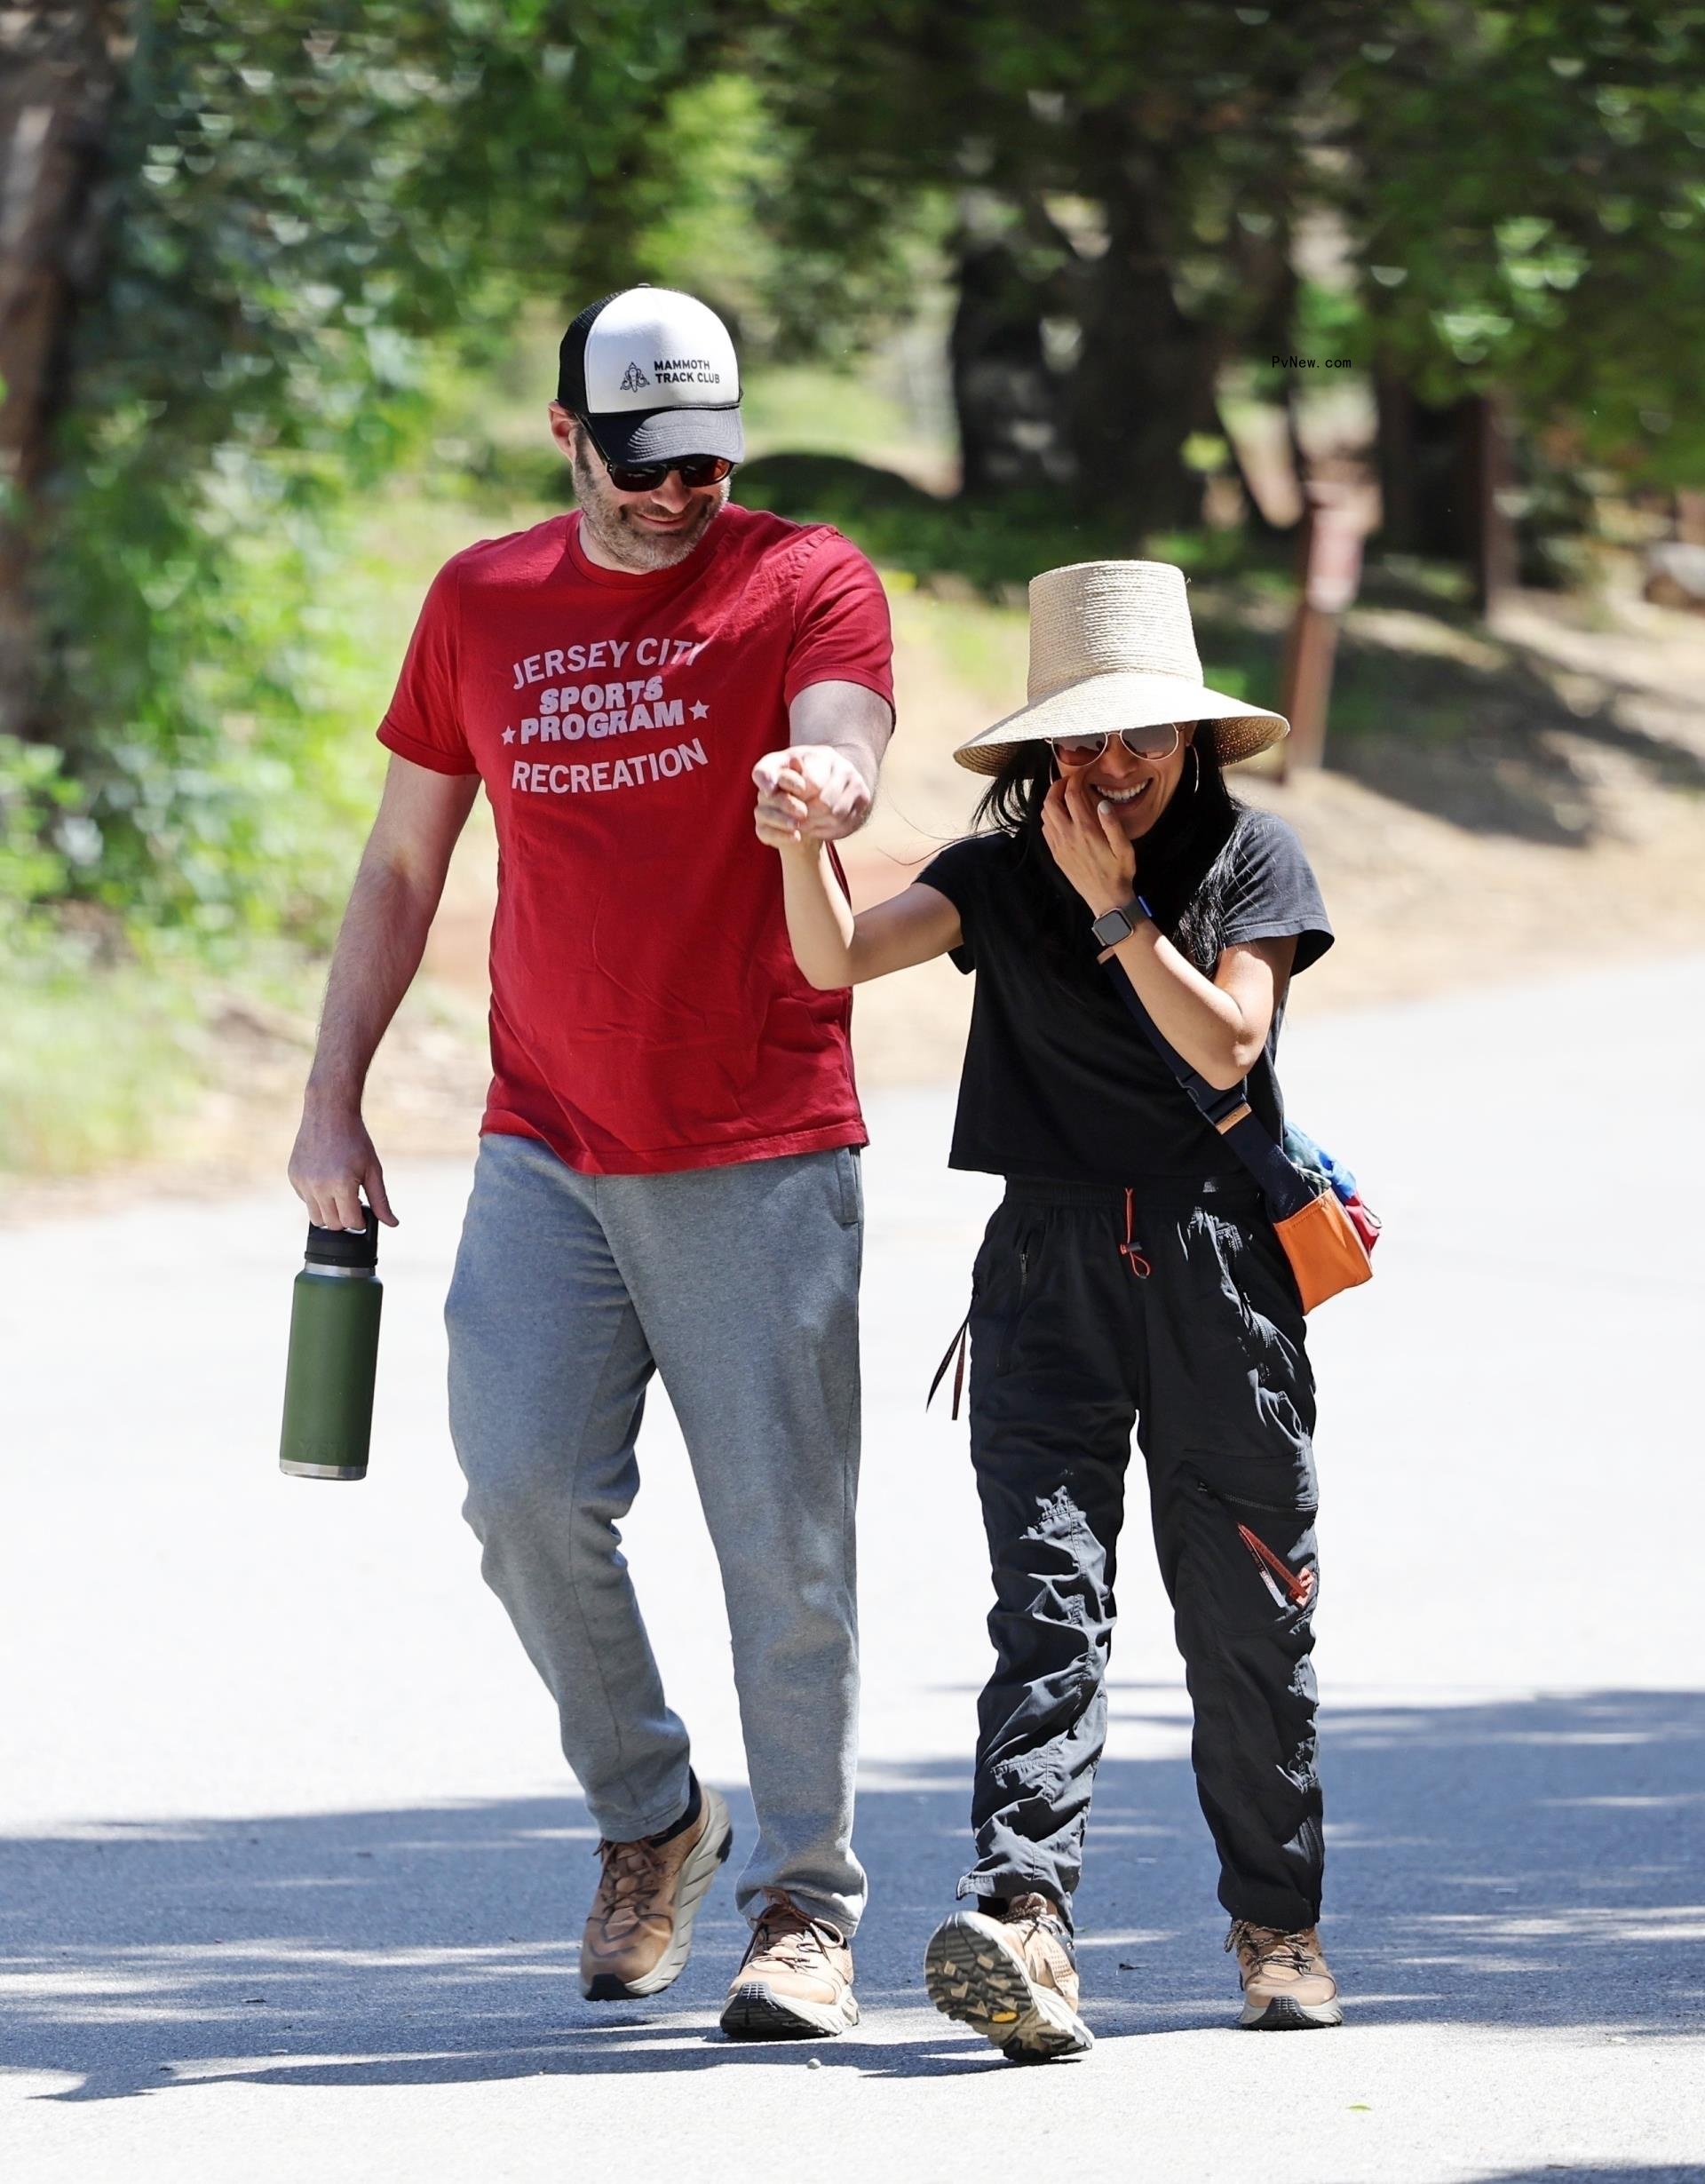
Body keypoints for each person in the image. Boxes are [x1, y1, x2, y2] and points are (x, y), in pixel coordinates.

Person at [289, 285, 894, 2041]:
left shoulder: (805, 575)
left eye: (710, 464)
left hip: (756, 1134)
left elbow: (850, 728)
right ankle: (652, 1818)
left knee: (784, 1549)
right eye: (646, 465)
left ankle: (808, 1904)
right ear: (569, 435)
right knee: (521, 1491)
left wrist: (826, 784)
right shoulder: (480, 601)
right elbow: (403, 866)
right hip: (545, 1134)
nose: (682, 494)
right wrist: (332, 1099)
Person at [756, 558, 1341, 2061]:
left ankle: (1277, 1927)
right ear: (1043, 751)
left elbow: (1228, 1048)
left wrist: (1117, 913)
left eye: (1142, 733)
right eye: (1082, 738)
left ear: (1192, 735)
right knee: (1047, 1607)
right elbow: (832, 958)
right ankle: (1024, 1920)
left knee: (1247, 1614)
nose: (1113, 764)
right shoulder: (1000, 871)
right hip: (1044, 1269)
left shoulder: (1253, 859)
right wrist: (802, 846)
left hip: (1218, 1265)